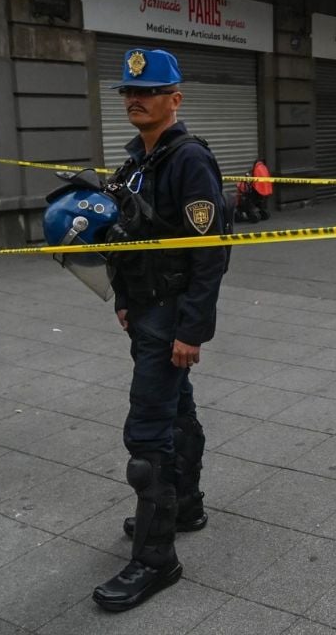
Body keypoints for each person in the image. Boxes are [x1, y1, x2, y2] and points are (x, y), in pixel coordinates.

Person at [91, 48, 228, 612]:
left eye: (146, 91)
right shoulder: (136, 160)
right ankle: (188, 503)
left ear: (175, 99)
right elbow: (125, 235)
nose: (134, 99)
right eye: (126, 91)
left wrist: (191, 330)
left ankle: (156, 559)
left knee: (146, 439)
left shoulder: (187, 158)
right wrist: (124, 298)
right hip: (145, 309)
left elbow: (209, 249)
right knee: (176, 412)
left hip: (171, 313)